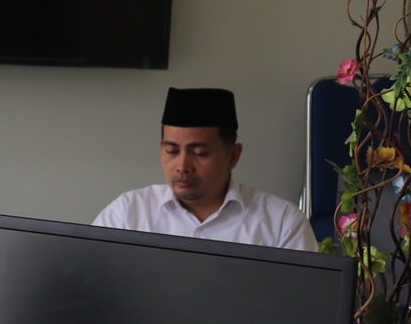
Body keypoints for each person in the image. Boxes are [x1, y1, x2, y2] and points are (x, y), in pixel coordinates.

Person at [92, 87, 315, 251]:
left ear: (233, 156)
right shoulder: (127, 214)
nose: (182, 166)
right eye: (171, 151)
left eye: (199, 153)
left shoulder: (281, 223)